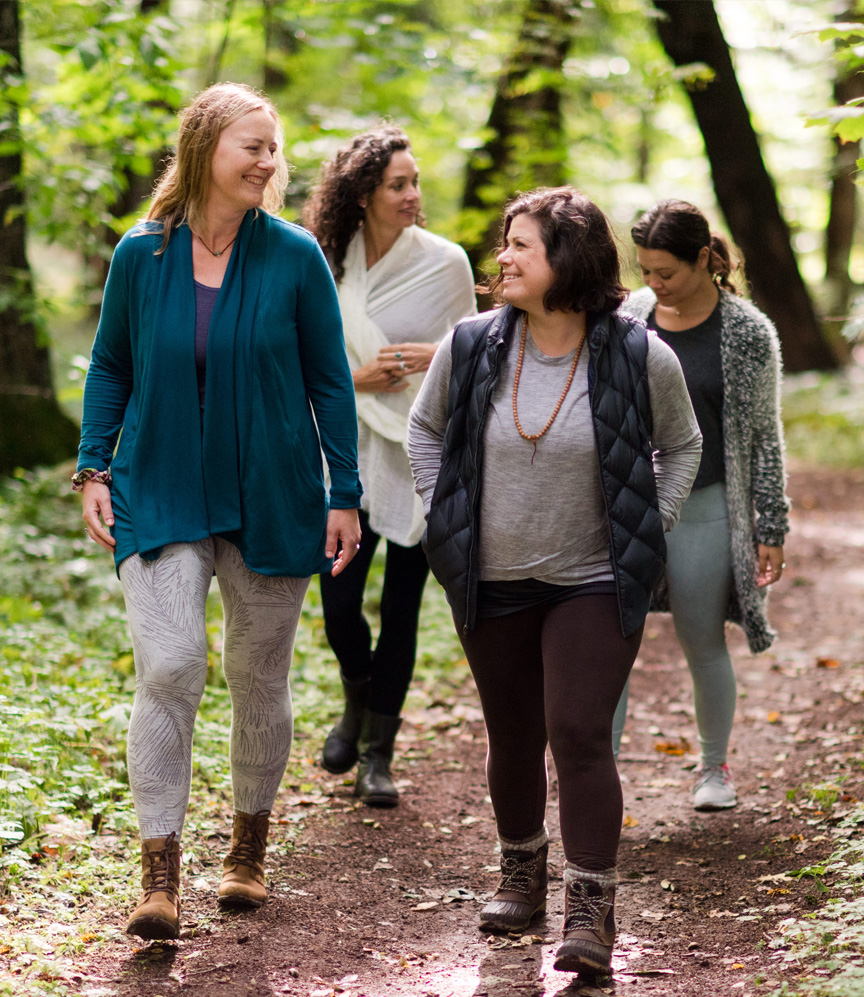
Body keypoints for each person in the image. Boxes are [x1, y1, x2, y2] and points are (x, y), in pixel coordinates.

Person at [74, 83, 362, 941]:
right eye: (253, 145)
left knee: (259, 673)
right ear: (204, 148)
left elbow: (328, 379)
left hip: (272, 488)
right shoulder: (141, 254)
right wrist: (94, 465)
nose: (269, 162)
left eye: (274, 147)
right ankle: (159, 873)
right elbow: (111, 364)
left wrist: (341, 490)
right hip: (159, 482)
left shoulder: (294, 255)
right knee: (169, 666)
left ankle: (246, 849)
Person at [407, 187, 702, 977]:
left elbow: (681, 444)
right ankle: (521, 873)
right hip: (491, 577)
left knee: (577, 730)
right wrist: (440, 514)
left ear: (565, 259)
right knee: (512, 732)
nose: (502, 256)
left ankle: (590, 907)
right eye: (505, 243)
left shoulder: (639, 352)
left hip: (594, 578)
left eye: (521, 245)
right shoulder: (470, 344)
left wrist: (653, 520)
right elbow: (425, 429)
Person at [302, 126, 476, 807]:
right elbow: (296, 358)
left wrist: (433, 357)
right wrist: (354, 381)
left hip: (421, 450)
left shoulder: (445, 263)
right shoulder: (323, 262)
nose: (412, 195)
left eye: (415, 182)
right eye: (397, 185)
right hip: (343, 453)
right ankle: (356, 698)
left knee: (403, 607)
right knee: (339, 602)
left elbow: (473, 349)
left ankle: (380, 752)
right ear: (363, 193)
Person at [612, 199, 790, 810]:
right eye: (645, 271)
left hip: (707, 504)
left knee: (701, 637)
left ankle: (713, 769)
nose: (653, 284)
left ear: (704, 260)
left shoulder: (746, 332)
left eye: (666, 272)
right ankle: (597, 772)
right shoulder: (631, 317)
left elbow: (765, 436)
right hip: (629, 503)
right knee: (611, 636)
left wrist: (772, 524)